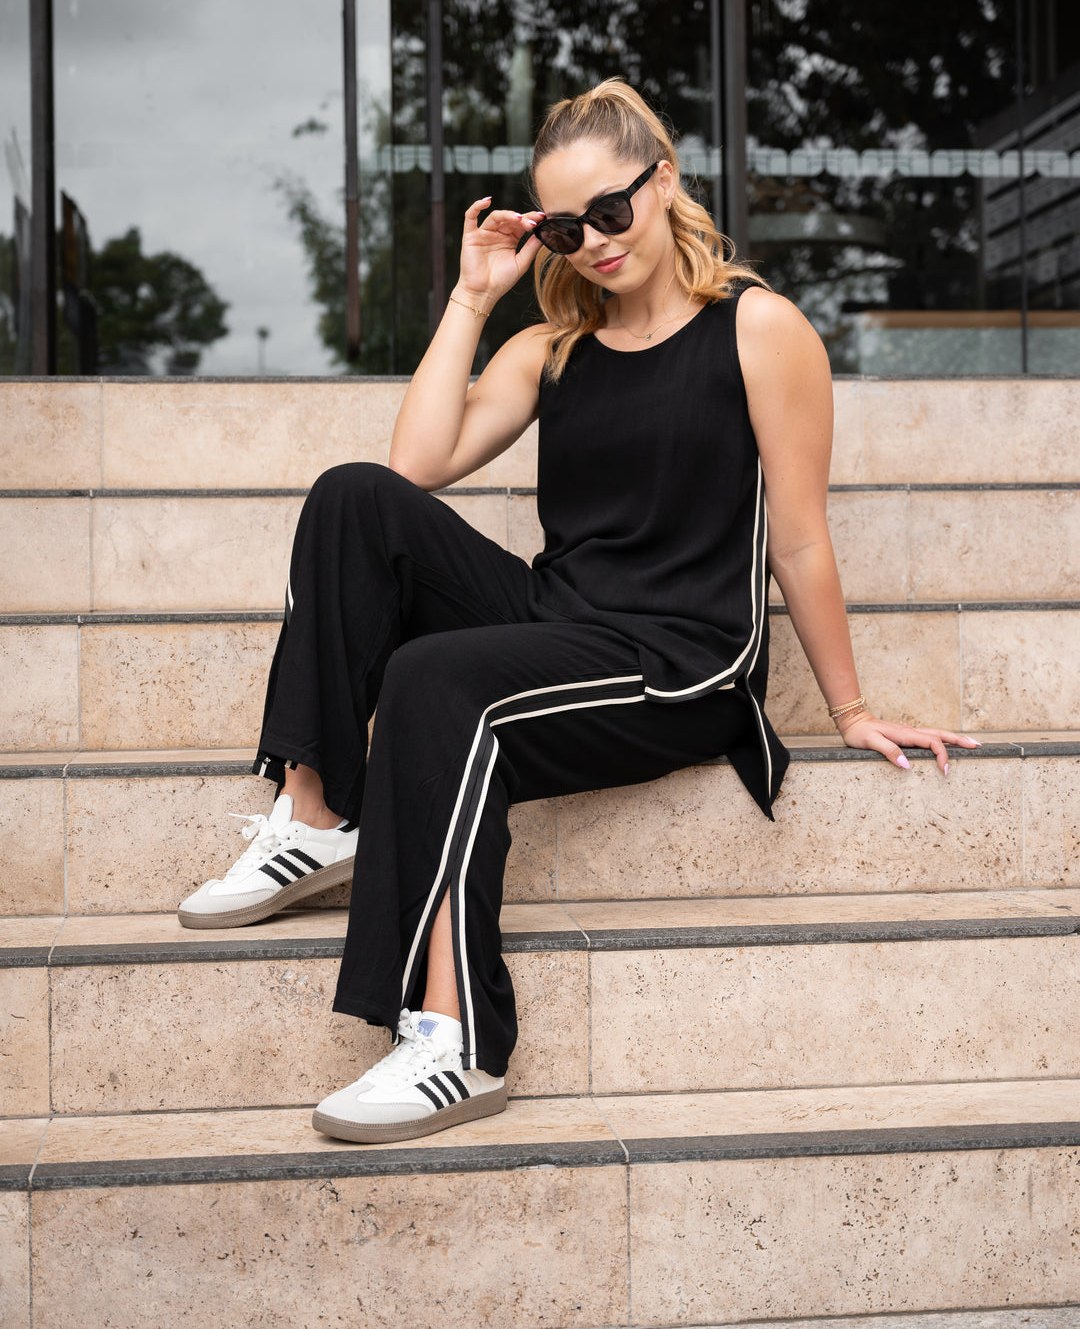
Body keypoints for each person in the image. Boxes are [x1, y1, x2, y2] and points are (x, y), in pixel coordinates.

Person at [177, 79, 980, 1144]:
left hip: (684, 656)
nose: (596, 242)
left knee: (438, 680)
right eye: (567, 226)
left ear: (667, 182)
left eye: (614, 210)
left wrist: (847, 709)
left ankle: (456, 1040)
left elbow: (798, 538)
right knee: (352, 499)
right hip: (565, 616)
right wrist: (472, 300)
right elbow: (418, 464)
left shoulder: (760, 331)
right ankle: (319, 817)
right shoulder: (550, 347)